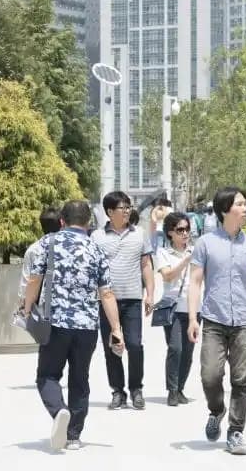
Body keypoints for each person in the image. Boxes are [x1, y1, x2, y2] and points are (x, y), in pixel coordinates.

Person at [23, 200, 125, 452]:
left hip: (56, 323)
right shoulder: (96, 249)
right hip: (87, 327)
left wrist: (27, 307)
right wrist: (116, 329)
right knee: (80, 379)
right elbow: (106, 293)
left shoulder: (48, 243)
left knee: (47, 375)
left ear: (62, 221)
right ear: (88, 222)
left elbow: (34, 279)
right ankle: (73, 435)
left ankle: (59, 410)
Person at [187, 187, 246, 456]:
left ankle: (236, 431)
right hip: (214, 320)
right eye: (240, 204)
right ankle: (217, 410)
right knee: (210, 375)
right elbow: (195, 282)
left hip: (244, 322)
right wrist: (192, 318)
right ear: (225, 210)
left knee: (240, 380)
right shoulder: (205, 244)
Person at [93, 191, 155, 410]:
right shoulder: (97, 237)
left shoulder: (139, 234)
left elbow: (146, 265)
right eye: (123, 208)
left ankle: (136, 389)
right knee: (112, 346)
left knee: (134, 345)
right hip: (106, 300)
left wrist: (150, 294)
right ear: (110, 212)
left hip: (132, 298)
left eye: (129, 207)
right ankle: (118, 391)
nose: (127, 211)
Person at [153, 211, 195, 406]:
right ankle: (172, 390)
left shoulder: (196, 250)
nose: (185, 233)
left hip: (194, 308)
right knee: (175, 349)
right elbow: (167, 276)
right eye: (180, 230)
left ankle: (180, 389)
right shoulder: (163, 253)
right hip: (173, 308)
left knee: (188, 352)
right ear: (170, 232)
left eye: (187, 229)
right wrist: (186, 261)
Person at [14, 206, 61, 328]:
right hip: (67, 310)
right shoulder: (70, 247)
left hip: (42, 311)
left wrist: (25, 309)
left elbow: (27, 282)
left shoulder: (33, 249)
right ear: (62, 223)